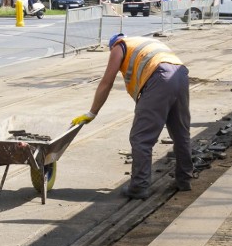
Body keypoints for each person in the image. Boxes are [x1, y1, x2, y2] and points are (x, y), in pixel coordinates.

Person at [71, 33, 193, 199]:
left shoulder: (119, 46)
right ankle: (184, 180)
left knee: (141, 138)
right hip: (180, 74)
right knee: (181, 133)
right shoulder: (145, 43)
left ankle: (139, 187)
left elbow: (107, 82)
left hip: (159, 77)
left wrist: (92, 112)